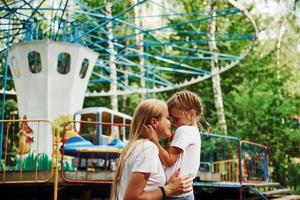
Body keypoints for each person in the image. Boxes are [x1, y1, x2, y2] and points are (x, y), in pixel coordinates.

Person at [110, 99, 193, 200]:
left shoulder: (133, 146)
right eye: (167, 118)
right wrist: (169, 189)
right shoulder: (148, 148)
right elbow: (132, 198)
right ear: (154, 122)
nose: (171, 122)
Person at [145, 90, 211, 200]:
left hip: (176, 194)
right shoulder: (194, 132)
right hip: (185, 192)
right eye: (172, 119)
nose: (174, 123)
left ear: (192, 114)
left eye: (177, 119)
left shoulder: (184, 130)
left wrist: (152, 139)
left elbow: (169, 160)